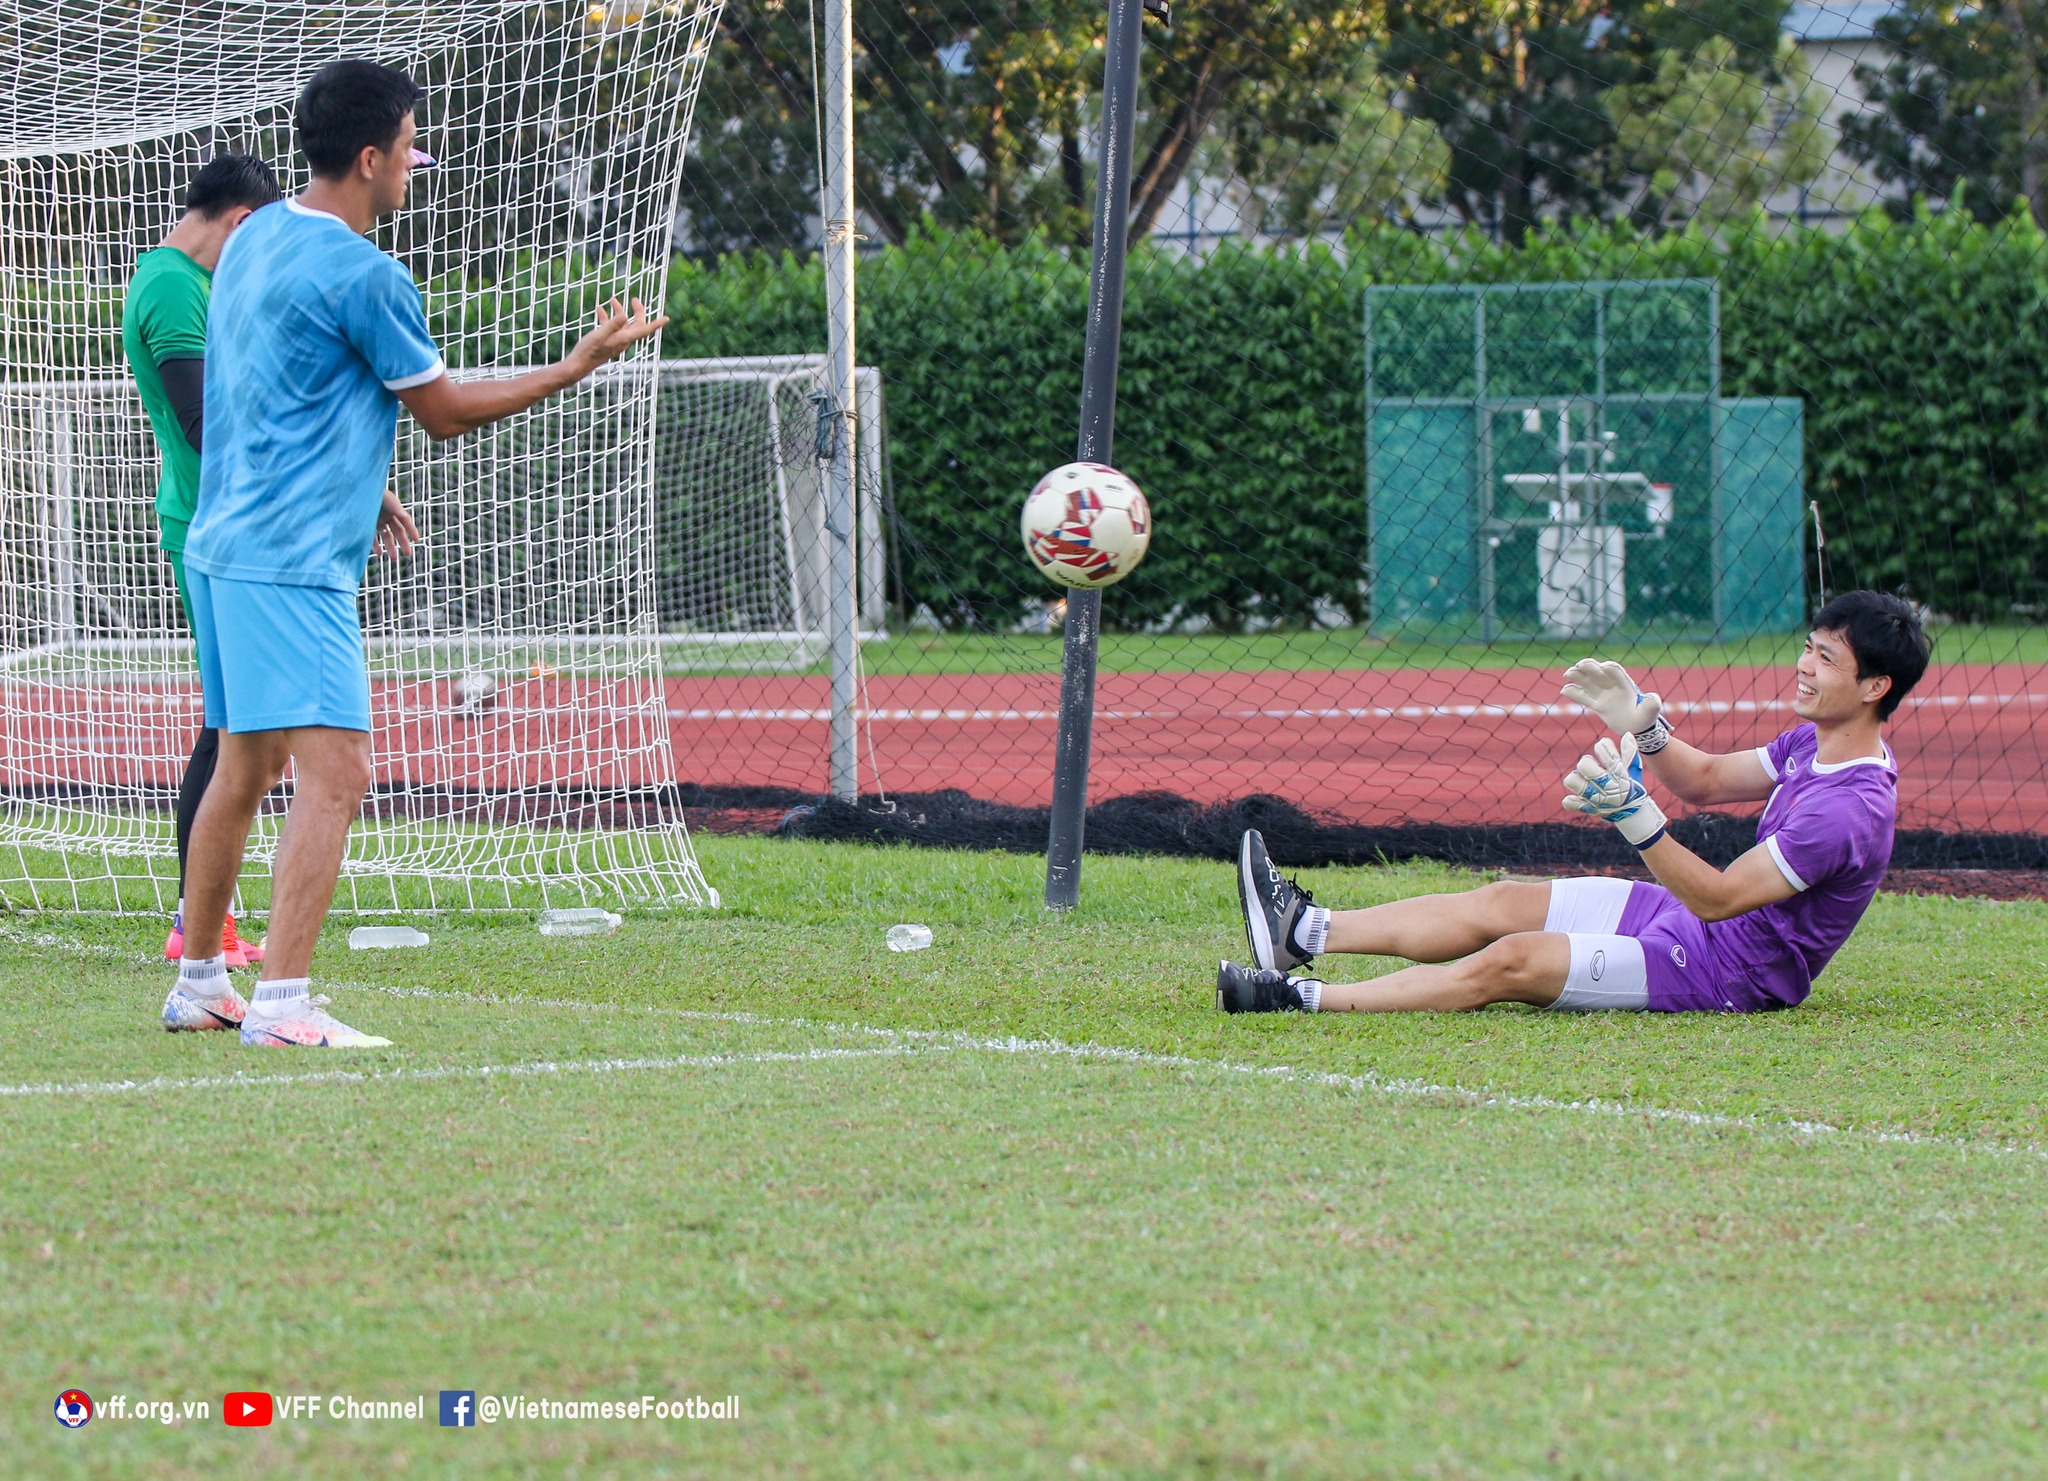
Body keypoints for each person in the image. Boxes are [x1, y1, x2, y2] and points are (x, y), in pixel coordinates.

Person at [160, 58, 667, 1047]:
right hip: (290, 559)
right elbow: (440, 412)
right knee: (336, 773)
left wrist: (364, 477)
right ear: (366, 158)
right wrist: (573, 365)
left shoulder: (255, 233)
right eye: (405, 151)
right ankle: (283, 1002)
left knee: (242, 762)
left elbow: (263, 372)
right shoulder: (366, 271)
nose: (411, 169)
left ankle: (201, 981)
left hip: (223, 543)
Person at [1217, 591, 1931, 1015]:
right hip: (1689, 921)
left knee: (1515, 960)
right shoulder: (1816, 741)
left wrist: (1635, 817)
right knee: (1504, 903)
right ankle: (1302, 930)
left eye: (1827, 658)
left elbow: (1718, 899)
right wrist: (1644, 728)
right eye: (1809, 646)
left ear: (1875, 687)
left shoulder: (1847, 812)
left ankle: (1300, 997)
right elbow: (1708, 780)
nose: (1805, 665)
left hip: (1732, 970)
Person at [121, 152, 283, 981]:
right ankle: (198, 924)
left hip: (222, 525)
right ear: (243, 221)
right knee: (233, 733)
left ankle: (202, 920)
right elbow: (200, 421)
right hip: (215, 529)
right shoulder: (174, 285)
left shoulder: (181, 279)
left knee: (238, 730)